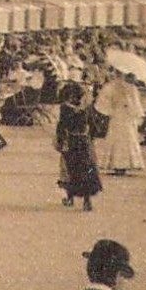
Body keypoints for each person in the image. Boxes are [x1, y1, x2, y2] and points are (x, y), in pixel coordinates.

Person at [55, 82, 103, 211]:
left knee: (70, 169)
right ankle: (87, 200)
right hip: (84, 141)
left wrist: (59, 141)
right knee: (86, 169)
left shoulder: (64, 108)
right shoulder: (86, 109)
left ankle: (70, 198)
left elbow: (61, 126)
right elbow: (94, 126)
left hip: (71, 141)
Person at [95, 70, 145, 175]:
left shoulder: (112, 87)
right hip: (124, 115)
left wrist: (110, 110)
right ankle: (123, 165)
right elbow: (136, 104)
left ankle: (118, 165)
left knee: (119, 138)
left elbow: (102, 103)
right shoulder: (130, 88)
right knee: (126, 137)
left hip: (119, 114)